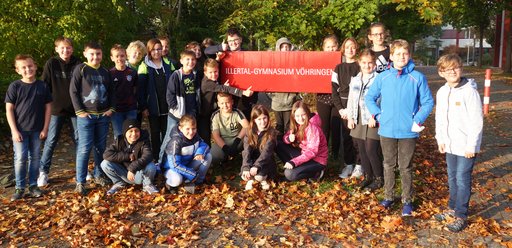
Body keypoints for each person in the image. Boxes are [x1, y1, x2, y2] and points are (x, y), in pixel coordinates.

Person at [365, 39, 434, 216]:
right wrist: (378, 115)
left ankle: (407, 200)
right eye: (398, 54)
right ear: (391, 56)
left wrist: (417, 120)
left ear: (409, 55)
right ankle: (388, 196)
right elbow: (369, 98)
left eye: (405, 53)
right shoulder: (383, 76)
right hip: (386, 129)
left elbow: (427, 102)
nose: (401, 57)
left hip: (408, 131)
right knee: (388, 164)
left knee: (405, 166)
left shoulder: (417, 77)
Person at [434, 54, 483, 232]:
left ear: (461, 68)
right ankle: (452, 208)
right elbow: (440, 118)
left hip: (466, 147)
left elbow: (476, 121)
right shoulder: (442, 92)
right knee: (452, 177)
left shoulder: (469, 92)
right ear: (441, 73)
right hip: (450, 145)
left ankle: (461, 215)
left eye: (455, 67)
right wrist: (441, 139)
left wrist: (472, 146)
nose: (452, 71)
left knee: (463, 179)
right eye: (448, 69)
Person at [70, 41, 115, 195]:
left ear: (102, 54)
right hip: (86, 117)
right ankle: (80, 181)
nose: (95, 57)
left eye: (98, 54)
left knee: (100, 148)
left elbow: (111, 92)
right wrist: (80, 111)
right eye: (92, 54)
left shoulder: (105, 71)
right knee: (84, 149)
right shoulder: (81, 69)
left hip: (102, 116)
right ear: (85, 54)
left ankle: (99, 174)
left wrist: (111, 108)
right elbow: (73, 91)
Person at [5, 54, 52, 201]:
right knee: (20, 158)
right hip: (20, 130)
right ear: (18, 70)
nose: (28, 69)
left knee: (35, 158)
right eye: (23, 67)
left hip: (37, 130)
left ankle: (33, 186)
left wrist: (45, 128)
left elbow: (48, 108)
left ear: (35, 67)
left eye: (30, 66)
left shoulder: (42, 86)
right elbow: (9, 109)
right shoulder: (15, 86)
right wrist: (14, 130)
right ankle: (20, 187)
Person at [38, 36, 82, 187]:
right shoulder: (52, 63)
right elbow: (44, 85)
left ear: (72, 49)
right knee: (51, 140)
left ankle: (81, 171)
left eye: (68, 47)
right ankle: (43, 172)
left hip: (76, 110)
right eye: (62, 48)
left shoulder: (78, 64)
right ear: (57, 49)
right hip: (56, 110)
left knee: (79, 140)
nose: (65, 50)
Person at [346, 49, 383, 190]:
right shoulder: (355, 79)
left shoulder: (379, 79)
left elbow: (382, 100)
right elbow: (351, 100)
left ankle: (379, 178)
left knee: (371, 150)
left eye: (370, 63)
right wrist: (350, 117)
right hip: (358, 117)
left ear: (374, 63)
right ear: (359, 63)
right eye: (364, 62)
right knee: (361, 150)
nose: (367, 65)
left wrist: (375, 115)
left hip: (372, 118)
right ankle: (368, 176)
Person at [204, 28, 258, 118]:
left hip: (244, 96)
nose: (233, 43)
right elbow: (206, 51)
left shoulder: (248, 54)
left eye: (235, 40)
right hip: (227, 93)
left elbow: (255, 73)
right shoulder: (223, 53)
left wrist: (254, 95)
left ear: (240, 40)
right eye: (230, 41)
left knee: (243, 121)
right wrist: (220, 47)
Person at [159, 50, 201, 163]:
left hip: (190, 112)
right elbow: (169, 94)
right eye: (187, 59)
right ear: (181, 61)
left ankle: (186, 161)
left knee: (189, 136)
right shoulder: (176, 75)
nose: (190, 62)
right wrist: (175, 109)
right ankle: (160, 161)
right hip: (176, 114)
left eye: (193, 59)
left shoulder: (196, 75)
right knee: (169, 137)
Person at [199, 58, 253, 146]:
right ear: (205, 73)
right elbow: (223, 88)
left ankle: (226, 150)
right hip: (204, 115)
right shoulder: (207, 83)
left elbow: (220, 88)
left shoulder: (214, 80)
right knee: (205, 136)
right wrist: (243, 92)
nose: (214, 74)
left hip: (213, 111)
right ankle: (207, 156)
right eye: (210, 72)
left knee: (218, 132)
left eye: (216, 71)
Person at [101, 119, 159, 195]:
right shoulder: (119, 140)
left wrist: (132, 169)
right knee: (105, 163)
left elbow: (148, 155)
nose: (134, 134)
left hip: (138, 174)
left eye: (136, 130)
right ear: (125, 132)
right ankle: (119, 183)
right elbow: (106, 154)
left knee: (151, 166)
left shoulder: (144, 140)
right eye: (130, 131)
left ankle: (147, 185)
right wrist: (127, 156)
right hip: (123, 173)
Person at [137, 38, 173, 161]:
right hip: (153, 107)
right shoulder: (144, 65)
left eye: (159, 49)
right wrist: (143, 107)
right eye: (154, 50)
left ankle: (167, 159)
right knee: (155, 134)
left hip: (168, 106)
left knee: (167, 134)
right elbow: (140, 90)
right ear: (149, 51)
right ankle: (156, 158)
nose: (157, 52)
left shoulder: (168, 63)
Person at [276, 101, 328, 181]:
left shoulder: (313, 128)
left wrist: (294, 162)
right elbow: (285, 137)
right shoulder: (297, 124)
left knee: (289, 174)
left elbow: (312, 151)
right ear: (293, 116)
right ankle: (294, 167)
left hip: (317, 160)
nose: (300, 118)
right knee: (278, 144)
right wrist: (289, 139)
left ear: (307, 113)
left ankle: (317, 173)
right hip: (304, 154)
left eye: (303, 115)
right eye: (297, 116)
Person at [332, 37, 361, 179]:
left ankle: (359, 165)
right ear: (343, 49)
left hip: (358, 108)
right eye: (347, 46)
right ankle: (348, 164)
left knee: (358, 138)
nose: (350, 49)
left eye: (353, 46)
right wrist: (341, 109)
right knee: (347, 138)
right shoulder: (338, 68)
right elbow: (334, 90)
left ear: (356, 49)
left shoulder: (360, 66)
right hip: (344, 109)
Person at [163, 115, 212, 193]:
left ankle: (198, 182)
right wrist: (191, 174)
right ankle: (169, 184)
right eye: (187, 129)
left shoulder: (195, 135)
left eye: (194, 128)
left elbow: (204, 145)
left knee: (208, 156)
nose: (191, 132)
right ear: (180, 128)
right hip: (173, 169)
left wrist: (199, 153)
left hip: (187, 165)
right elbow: (175, 165)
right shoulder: (175, 142)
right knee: (177, 180)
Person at [267, 37, 299, 137]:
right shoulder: (274, 64)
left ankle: (288, 148)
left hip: (289, 103)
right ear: (278, 48)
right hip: (277, 103)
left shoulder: (294, 64)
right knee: (279, 126)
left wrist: (292, 96)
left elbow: (298, 82)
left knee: (289, 126)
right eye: (283, 47)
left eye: (287, 47)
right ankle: (279, 148)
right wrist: (273, 96)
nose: (285, 49)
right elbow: (268, 83)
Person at [316, 34, 342, 160]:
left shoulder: (342, 61)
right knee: (324, 128)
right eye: (328, 47)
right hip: (322, 99)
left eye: (333, 46)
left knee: (336, 128)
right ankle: (323, 153)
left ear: (337, 47)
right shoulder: (318, 61)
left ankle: (335, 154)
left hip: (337, 100)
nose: (331, 49)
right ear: (323, 48)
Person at [241, 105, 277, 191]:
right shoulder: (249, 131)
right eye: (259, 119)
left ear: (268, 118)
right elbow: (247, 151)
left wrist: (256, 166)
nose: (262, 122)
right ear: (254, 120)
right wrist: (246, 167)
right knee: (244, 175)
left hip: (266, 161)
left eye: (264, 118)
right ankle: (251, 180)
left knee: (259, 176)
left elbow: (266, 153)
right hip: (252, 160)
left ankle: (261, 179)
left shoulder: (271, 133)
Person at [210, 93, 249, 165]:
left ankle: (248, 158)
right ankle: (224, 158)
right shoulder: (215, 116)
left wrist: (237, 141)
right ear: (218, 104)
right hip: (223, 141)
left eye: (227, 102)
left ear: (232, 102)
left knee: (250, 138)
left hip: (238, 141)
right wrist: (225, 148)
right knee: (213, 156)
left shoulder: (236, 112)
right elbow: (216, 135)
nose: (225, 105)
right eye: (222, 103)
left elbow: (246, 126)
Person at [109, 44, 138, 138]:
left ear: (126, 56)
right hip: (116, 110)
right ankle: (120, 153)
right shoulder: (110, 74)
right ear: (112, 58)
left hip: (131, 109)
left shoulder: (132, 72)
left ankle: (132, 153)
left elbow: (136, 89)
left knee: (132, 134)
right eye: (117, 56)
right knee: (119, 135)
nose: (120, 58)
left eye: (122, 56)